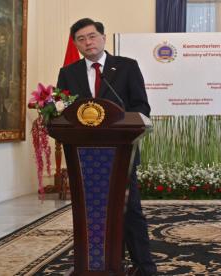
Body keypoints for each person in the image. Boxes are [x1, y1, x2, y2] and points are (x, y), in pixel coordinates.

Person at [56, 18, 155, 276]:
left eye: (91, 36)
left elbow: (142, 107)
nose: (87, 42)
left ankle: (145, 267)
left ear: (103, 37)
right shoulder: (68, 73)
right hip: (84, 157)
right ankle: (95, 264)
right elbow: (62, 113)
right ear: (76, 44)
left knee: (129, 210)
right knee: (92, 214)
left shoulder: (126, 67)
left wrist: (123, 121)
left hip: (121, 152)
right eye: (81, 39)